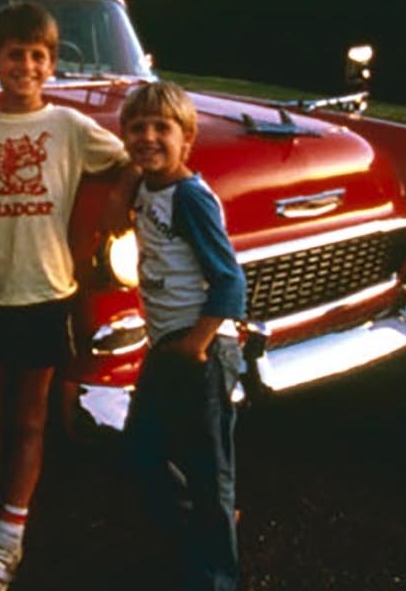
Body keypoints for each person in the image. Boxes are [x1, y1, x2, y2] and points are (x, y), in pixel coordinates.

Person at [0, 3, 129, 591]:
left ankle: (9, 538)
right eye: (14, 54)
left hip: (48, 292)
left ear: (51, 64)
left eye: (37, 56)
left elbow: (129, 162)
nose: (26, 65)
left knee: (30, 420)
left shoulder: (71, 128)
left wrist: (119, 211)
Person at [102, 80, 248, 591]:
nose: (147, 137)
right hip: (168, 345)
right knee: (141, 450)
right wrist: (125, 180)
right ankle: (204, 527)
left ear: (187, 138)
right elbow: (108, 224)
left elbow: (231, 280)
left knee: (211, 468)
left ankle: (216, 577)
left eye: (161, 128)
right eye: (136, 128)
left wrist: (199, 343)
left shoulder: (190, 197)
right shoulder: (146, 187)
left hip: (202, 346)